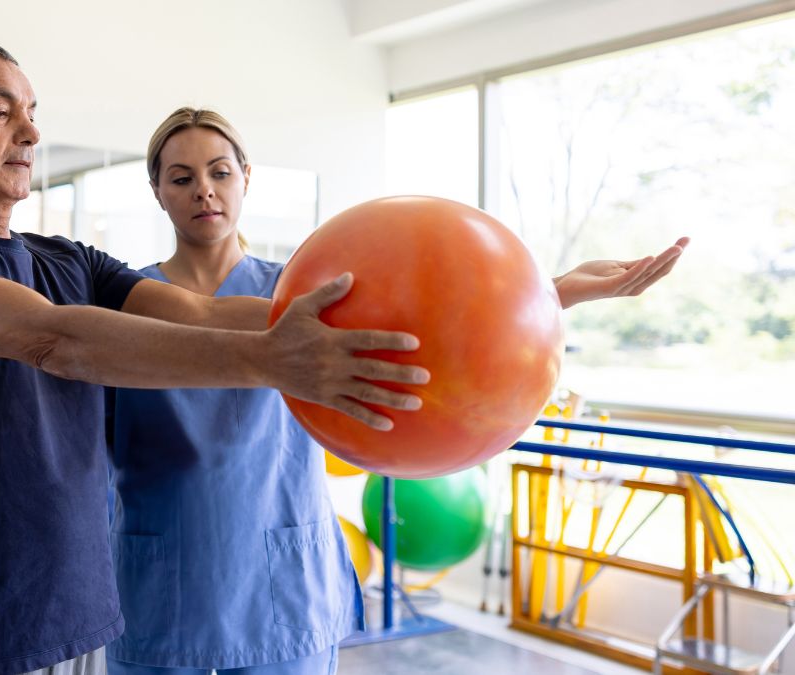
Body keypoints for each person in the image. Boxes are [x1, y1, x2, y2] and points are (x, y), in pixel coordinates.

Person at [0, 39, 430, 675]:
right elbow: (52, 340)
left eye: (32, 111)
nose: (31, 132)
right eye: (1, 111)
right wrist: (271, 361)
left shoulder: (67, 259)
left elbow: (201, 311)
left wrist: (443, 319)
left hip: (79, 626)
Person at [105, 107, 689, 674]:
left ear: (246, 178)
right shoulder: (128, 302)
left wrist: (553, 292)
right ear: (158, 190)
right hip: (163, 575)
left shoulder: (307, 288)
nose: (204, 190)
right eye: (181, 177)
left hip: (279, 574)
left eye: (220, 171)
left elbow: (423, 332)